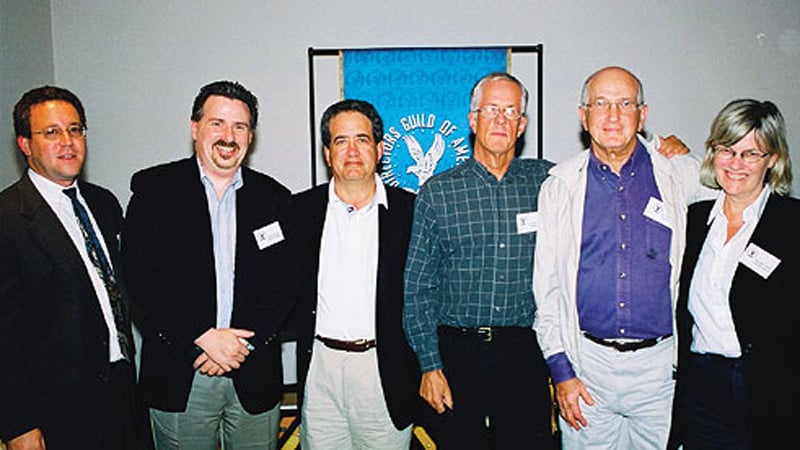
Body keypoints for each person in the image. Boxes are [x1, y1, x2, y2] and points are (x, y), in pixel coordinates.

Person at [533, 66, 709, 449]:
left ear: (642, 115)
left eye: (625, 104)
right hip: (586, 368)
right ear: (583, 116)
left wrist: (680, 149)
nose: (613, 115)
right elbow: (546, 290)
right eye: (601, 103)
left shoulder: (680, 174)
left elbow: (741, 185)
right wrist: (561, 372)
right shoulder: (559, 187)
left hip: (660, 373)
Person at [122, 80, 294, 449]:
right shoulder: (154, 190)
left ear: (251, 136)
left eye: (239, 126)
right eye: (217, 123)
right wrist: (202, 336)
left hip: (252, 370)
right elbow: (140, 275)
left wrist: (238, 347)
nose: (228, 137)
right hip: (181, 370)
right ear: (195, 127)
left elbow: (285, 284)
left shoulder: (275, 199)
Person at [402, 72, 558, 449]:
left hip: (524, 350)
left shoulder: (549, 183)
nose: (501, 119)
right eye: (491, 110)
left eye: (511, 111)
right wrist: (429, 365)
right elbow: (417, 289)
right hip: (457, 353)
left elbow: (604, 161)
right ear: (473, 120)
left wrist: (663, 151)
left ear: (522, 125)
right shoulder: (437, 193)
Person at [0, 86, 151, 449]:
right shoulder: (7, 218)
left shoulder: (103, 203)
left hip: (122, 394)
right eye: (51, 132)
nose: (67, 142)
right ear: (25, 144)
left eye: (75, 129)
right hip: (57, 413)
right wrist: (18, 424)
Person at [288, 99, 420, 449]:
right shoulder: (298, 211)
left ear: (379, 149)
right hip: (320, 369)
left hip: (384, 369)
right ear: (327, 153)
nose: (352, 151)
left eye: (362, 140)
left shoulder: (411, 212)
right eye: (340, 141)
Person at [669, 99, 799, 449]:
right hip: (701, 384)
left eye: (751, 153)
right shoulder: (694, 220)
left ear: (772, 159)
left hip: (769, 390)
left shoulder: (792, 224)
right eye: (727, 149)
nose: (736, 163)